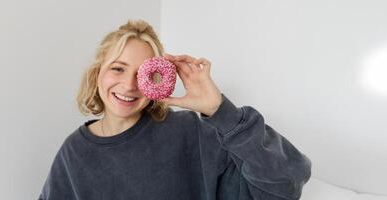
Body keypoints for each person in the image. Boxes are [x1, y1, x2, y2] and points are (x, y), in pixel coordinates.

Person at [37, 19, 311, 200]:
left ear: (157, 81)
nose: (129, 85)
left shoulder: (191, 132)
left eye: (144, 74)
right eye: (118, 68)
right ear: (98, 74)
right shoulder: (73, 153)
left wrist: (219, 110)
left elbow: (285, 184)